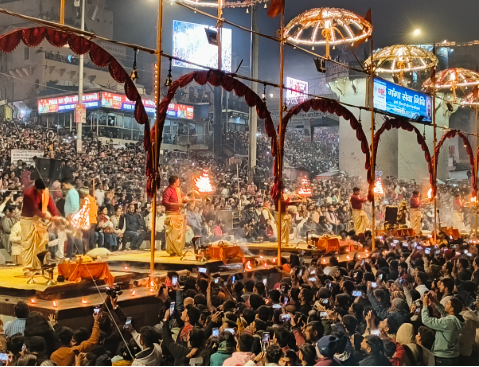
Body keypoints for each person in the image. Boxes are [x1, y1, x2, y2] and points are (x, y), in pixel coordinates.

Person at [20, 178, 60, 276]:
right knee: (28, 244)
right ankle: (27, 268)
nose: (42, 192)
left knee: (40, 243)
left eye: (43, 190)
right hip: (28, 219)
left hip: (38, 220)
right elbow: (34, 210)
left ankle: (37, 266)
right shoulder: (28, 193)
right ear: (35, 188)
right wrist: (49, 218)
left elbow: (51, 204)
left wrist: (56, 215)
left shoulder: (45, 191)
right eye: (40, 191)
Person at [421, 293, 464, 365]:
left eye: (447, 304)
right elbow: (444, 314)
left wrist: (425, 305)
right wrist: (435, 302)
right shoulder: (455, 320)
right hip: (451, 356)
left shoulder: (448, 322)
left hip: (443, 358)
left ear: (451, 309)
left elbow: (426, 320)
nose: (445, 304)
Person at [162, 176, 191, 256]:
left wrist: (187, 199)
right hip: (171, 214)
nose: (179, 183)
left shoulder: (178, 190)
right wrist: (176, 204)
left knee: (181, 233)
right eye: (178, 181)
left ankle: (179, 250)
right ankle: (172, 250)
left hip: (179, 214)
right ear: (174, 183)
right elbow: (164, 202)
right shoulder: (167, 191)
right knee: (173, 234)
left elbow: (182, 199)